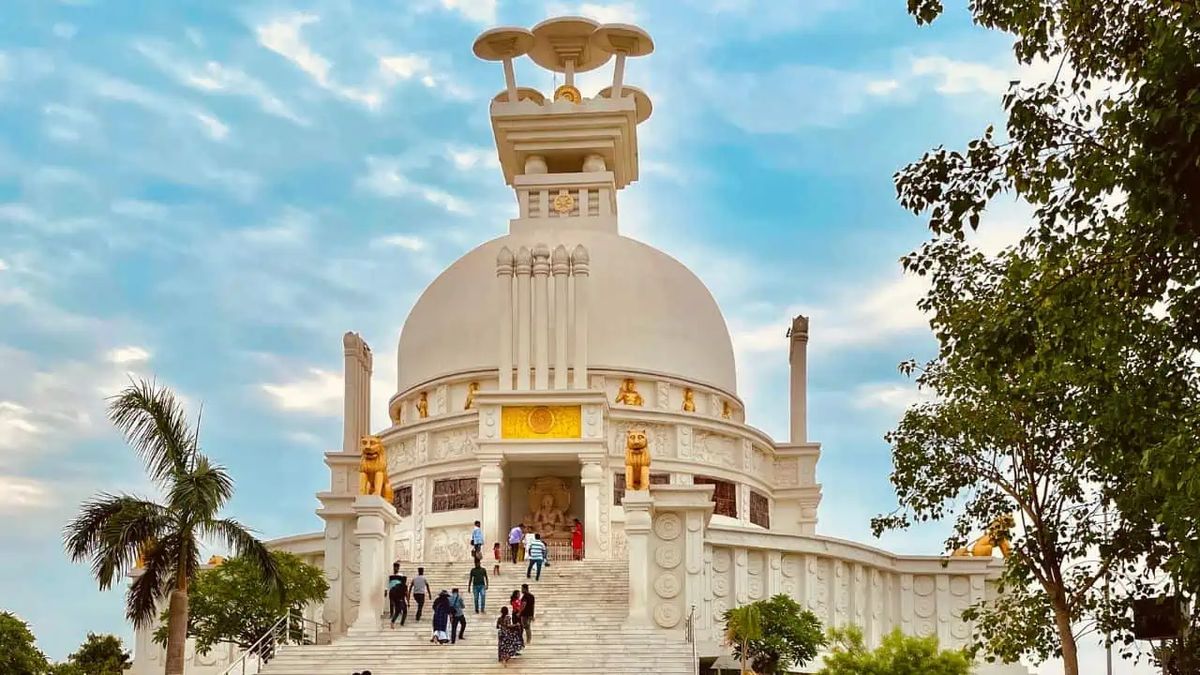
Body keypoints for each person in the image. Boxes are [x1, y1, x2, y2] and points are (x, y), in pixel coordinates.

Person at [386, 562, 408, 628]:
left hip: (399, 592)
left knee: (398, 604)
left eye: (397, 567)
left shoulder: (401, 575)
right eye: (395, 567)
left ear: (398, 568)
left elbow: (403, 584)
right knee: (391, 602)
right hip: (392, 590)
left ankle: (397, 613)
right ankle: (392, 613)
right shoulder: (390, 575)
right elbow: (388, 582)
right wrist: (386, 589)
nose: (396, 568)